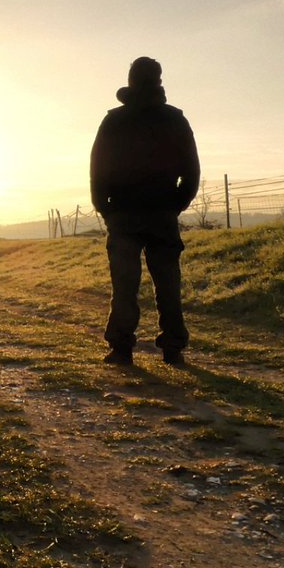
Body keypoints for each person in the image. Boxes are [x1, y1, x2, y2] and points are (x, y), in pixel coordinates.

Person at [89, 56, 200, 366]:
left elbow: (97, 170)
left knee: (124, 285)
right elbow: (191, 172)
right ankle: (173, 348)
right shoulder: (175, 120)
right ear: (159, 80)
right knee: (168, 284)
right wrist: (174, 205)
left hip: (123, 215)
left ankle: (121, 348)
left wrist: (106, 209)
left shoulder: (114, 121)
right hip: (162, 214)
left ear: (131, 81)